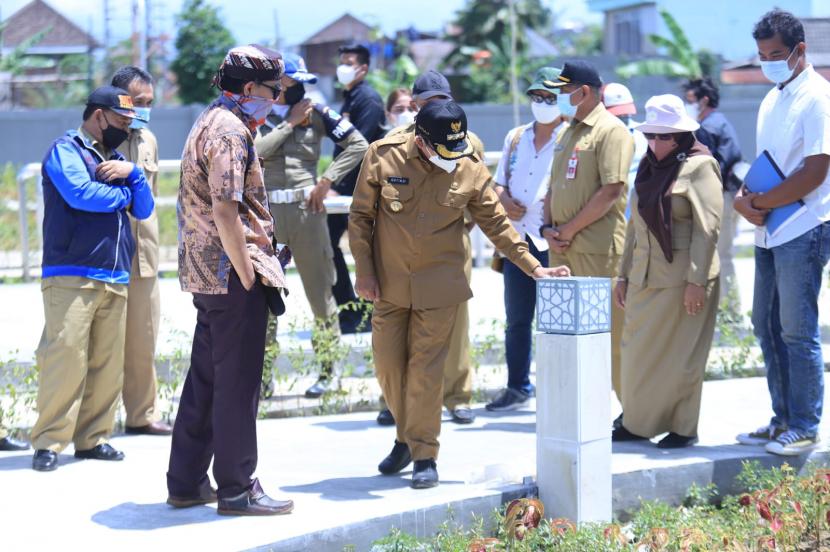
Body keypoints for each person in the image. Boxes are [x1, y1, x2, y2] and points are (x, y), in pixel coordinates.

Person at [349, 99, 570, 488]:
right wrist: (365, 272)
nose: (451, 156)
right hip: (389, 284)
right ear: (421, 140)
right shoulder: (382, 156)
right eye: (442, 149)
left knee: (425, 371)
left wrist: (535, 268)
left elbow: (498, 225)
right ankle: (406, 436)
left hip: (440, 287)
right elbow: (361, 217)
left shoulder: (468, 166)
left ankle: (424, 455)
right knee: (387, 367)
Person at [167, 45, 294, 515]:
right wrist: (247, 273)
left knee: (206, 379)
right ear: (248, 89)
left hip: (207, 274)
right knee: (238, 385)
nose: (277, 98)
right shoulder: (230, 132)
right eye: (272, 90)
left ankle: (185, 481)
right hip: (230, 273)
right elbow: (225, 208)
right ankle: (238, 488)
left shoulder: (210, 119)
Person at [30, 86, 154, 472]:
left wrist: (133, 174)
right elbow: (81, 194)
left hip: (114, 274)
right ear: (99, 115)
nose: (126, 129)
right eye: (120, 121)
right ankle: (49, 442)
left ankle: (93, 438)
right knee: (64, 357)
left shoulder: (117, 160)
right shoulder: (65, 149)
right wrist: (124, 197)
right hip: (71, 273)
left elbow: (146, 207)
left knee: (106, 363)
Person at [734, 10, 830, 456]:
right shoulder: (773, 97)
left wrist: (759, 204)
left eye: (776, 54)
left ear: (799, 51)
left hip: (805, 227)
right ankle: (782, 419)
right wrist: (743, 198)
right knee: (765, 324)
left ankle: (806, 425)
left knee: (796, 329)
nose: (768, 62)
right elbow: (764, 165)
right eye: (761, 55)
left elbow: (815, 169)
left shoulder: (818, 97)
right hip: (769, 229)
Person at [255, 53, 368, 399]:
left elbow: (358, 144)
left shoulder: (316, 111)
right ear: (277, 82)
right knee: (266, 301)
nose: (298, 88)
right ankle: (263, 379)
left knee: (322, 296)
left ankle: (328, 373)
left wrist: (328, 178)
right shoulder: (255, 114)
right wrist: (289, 123)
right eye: (292, 81)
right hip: (268, 215)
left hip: (307, 211)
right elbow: (255, 152)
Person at [375, 72, 484, 426]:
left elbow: (482, 198)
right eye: (427, 103)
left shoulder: (470, 142)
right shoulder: (393, 143)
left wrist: (459, 226)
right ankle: (397, 401)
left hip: (450, 248)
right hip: (403, 254)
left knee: (454, 326)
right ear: (417, 105)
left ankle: (457, 396)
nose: (435, 109)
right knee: (399, 331)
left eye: (441, 102)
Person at [613, 94, 722, 448]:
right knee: (635, 354)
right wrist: (623, 274)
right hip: (644, 275)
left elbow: (708, 229)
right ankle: (637, 422)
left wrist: (696, 281)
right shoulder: (647, 166)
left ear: (682, 136)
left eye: (666, 136)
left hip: (684, 279)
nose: (657, 143)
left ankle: (683, 427)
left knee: (682, 358)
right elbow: (634, 228)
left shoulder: (700, 166)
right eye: (652, 135)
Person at [541, 61, 635, 408]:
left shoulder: (612, 131)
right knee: (566, 333)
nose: (560, 98)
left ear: (583, 91)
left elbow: (611, 191)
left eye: (565, 91)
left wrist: (566, 229)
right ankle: (578, 407)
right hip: (561, 248)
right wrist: (547, 229)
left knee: (609, 336)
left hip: (596, 249)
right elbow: (554, 186)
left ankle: (631, 413)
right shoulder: (568, 131)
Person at [486, 67, 568, 411]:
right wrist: (503, 199)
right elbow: (498, 179)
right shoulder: (516, 136)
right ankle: (518, 385)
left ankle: (559, 390)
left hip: (552, 238)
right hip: (517, 240)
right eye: (537, 97)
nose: (542, 103)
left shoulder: (570, 137)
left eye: (550, 98)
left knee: (558, 321)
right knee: (517, 318)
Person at [109, 66, 172, 436]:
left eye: (150, 102)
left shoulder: (148, 139)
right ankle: (87, 421)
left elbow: (149, 196)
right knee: (99, 343)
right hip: (106, 253)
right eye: (138, 102)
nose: (145, 109)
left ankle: (142, 415)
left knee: (143, 340)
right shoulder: (98, 137)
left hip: (144, 254)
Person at [329, 43, 386, 334]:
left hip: (357, 191)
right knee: (328, 245)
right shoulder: (351, 98)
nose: (343, 67)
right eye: (342, 61)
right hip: (343, 189)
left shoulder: (368, 100)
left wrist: (336, 186)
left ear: (363, 68)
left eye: (349, 62)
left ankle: (363, 311)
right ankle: (350, 309)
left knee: (364, 248)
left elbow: (360, 150)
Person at [682, 77, 743, 305]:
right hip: (730, 194)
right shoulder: (721, 121)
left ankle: (730, 310)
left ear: (703, 100)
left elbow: (711, 169)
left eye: (689, 100)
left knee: (721, 255)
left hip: (721, 197)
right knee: (723, 254)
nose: (687, 105)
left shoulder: (708, 128)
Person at [601, 82, 648, 219]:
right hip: (606, 215)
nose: (622, 118)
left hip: (638, 216)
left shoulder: (645, 135)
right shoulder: (594, 138)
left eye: (625, 113)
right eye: (617, 115)